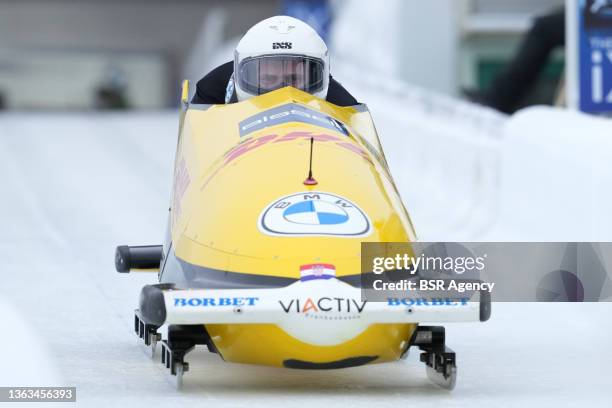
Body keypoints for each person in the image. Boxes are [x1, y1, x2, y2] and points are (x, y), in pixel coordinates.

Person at [192, 15, 358, 106]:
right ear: (240, 78)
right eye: (269, 80)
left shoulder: (338, 100)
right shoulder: (211, 91)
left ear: (318, 78)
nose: (282, 92)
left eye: (293, 79)